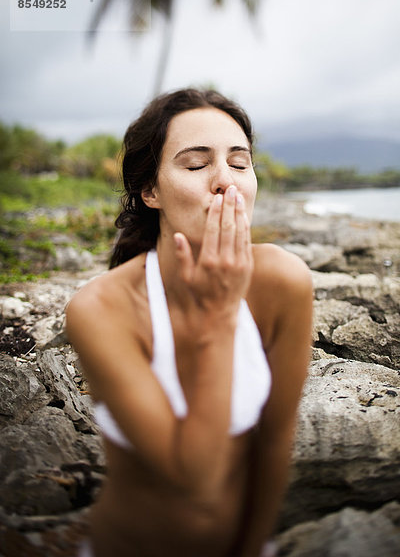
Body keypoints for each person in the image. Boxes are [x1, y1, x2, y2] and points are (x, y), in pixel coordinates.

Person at [66, 88, 313, 557]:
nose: (226, 182)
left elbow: (275, 442)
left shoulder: (283, 282)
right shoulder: (101, 309)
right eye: (197, 165)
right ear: (151, 191)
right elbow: (194, 482)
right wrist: (219, 315)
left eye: (240, 164)